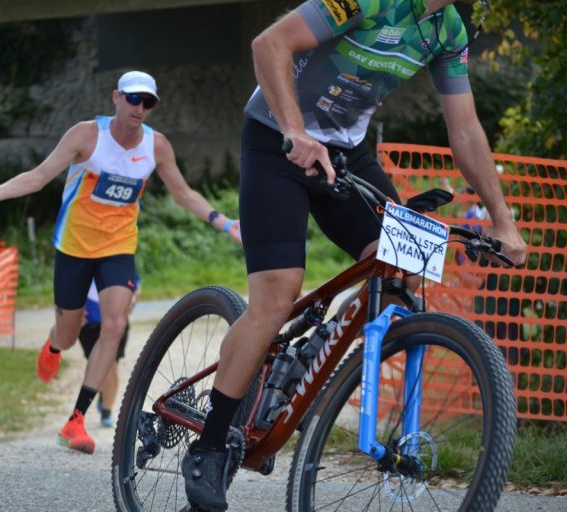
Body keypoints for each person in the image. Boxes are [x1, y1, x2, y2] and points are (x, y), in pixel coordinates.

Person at [180, 1, 528, 510]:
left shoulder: (448, 29)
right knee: (277, 296)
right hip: (278, 139)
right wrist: (296, 130)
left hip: (347, 152)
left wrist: (503, 219)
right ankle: (210, 447)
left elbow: (466, 128)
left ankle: (304, 365)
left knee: (403, 270)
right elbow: (268, 44)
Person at [0, 70, 241, 454]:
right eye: (134, 99)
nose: (140, 108)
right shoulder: (87, 136)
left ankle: (76, 421)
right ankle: (54, 345)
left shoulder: (156, 146)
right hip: (73, 247)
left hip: (118, 247)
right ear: (116, 98)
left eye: (148, 102)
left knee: (114, 323)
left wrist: (225, 223)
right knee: (70, 333)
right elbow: (37, 178)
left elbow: (184, 194)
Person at [78, 277, 140, 428]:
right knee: (97, 367)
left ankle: (107, 411)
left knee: (111, 366)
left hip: (116, 321)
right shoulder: (81, 259)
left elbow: (135, 283)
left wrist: (132, 300)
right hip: (89, 324)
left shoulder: (118, 257)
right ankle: (101, 391)